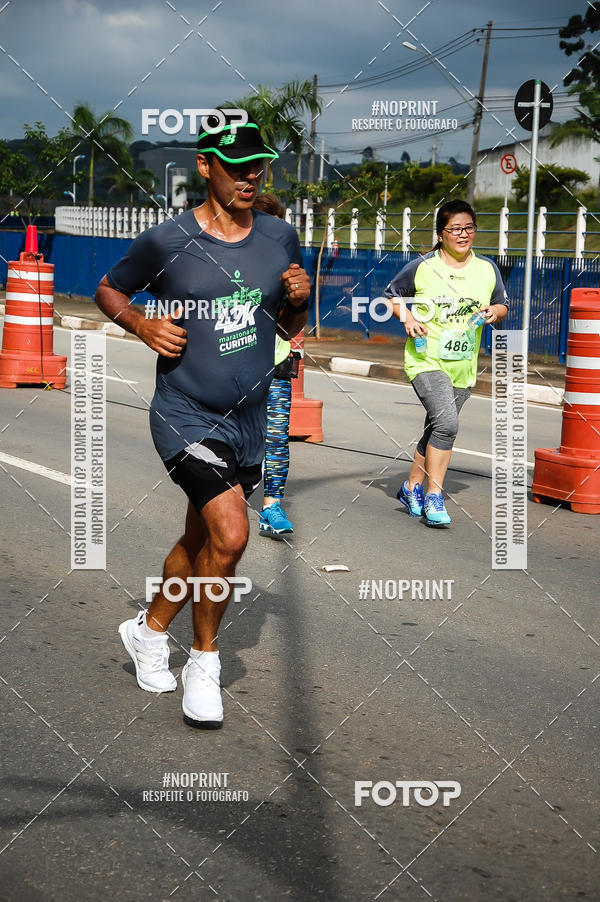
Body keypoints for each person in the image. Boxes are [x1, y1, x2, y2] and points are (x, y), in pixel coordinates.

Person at [94, 111, 310, 727]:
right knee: (234, 535)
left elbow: (287, 330)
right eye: (236, 166)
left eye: (257, 167)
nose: (249, 177)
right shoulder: (167, 241)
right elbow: (110, 288)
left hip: (248, 417)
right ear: (205, 165)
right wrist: (140, 324)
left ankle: (149, 630)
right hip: (184, 414)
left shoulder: (279, 237)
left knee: (201, 540)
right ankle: (204, 663)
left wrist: (299, 302)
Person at [384, 199, 508, 527]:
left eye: (469, 228)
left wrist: (494, 313)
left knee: (437, 426)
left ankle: (410, 486)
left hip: (464, 364)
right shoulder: (422, 266)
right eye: (455, 229)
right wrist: (408, 317)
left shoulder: (486, 269)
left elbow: (502, 304)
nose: (463, 234)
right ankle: (433, 495)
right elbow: (391, 296)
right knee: (448, 425)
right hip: (426, 358)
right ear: (441, 234)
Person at [252, 192, 298, 539]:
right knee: (233, 437)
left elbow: (291, 320)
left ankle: (271, 505)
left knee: (277, 437)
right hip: (229, 369)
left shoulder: (286, 266)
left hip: (276, 362)